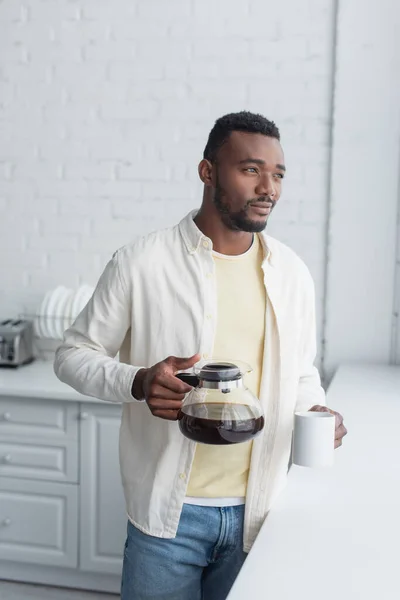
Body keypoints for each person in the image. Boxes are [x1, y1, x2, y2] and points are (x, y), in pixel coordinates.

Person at [54, 111, 347, 600]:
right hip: (168, 519)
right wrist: (140, 380)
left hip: (262, 512)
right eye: (251, 170)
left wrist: (315, 410)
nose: (268, 188)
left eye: (278, 174)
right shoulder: (142, 262)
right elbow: (72, 355)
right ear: (207, 171)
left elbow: (301, 373)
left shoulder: (291, 273)